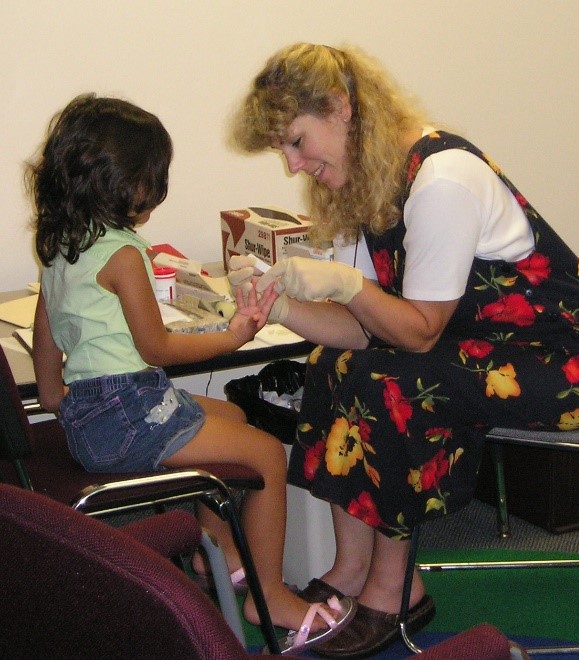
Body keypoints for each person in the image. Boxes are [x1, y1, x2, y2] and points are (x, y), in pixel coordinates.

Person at [228, 43, 579, 657]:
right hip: (491, 350)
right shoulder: (368, 187)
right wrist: (281, 306)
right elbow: (364, 330)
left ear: (340, 108)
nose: (292, 165)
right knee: (331, 366)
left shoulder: (444, 178)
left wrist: (349, 286)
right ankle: (352, 568)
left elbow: (418, 332)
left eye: (296, 141)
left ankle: (398, 591)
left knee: (392, 383)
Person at [27, 93, 355, 654]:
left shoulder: (61, 244)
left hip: (91, 416)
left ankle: (223, 554)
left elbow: (45, 332)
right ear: (124, 183)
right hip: (131, 411)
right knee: (267, 457)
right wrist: (230, 337)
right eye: (153, 178)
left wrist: (55, 394)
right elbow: (156, 348)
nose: (157, 189)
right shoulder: (124, 255)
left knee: (228, 416)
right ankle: (268, 594)